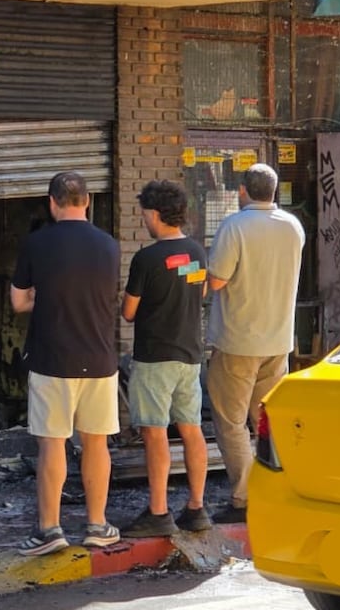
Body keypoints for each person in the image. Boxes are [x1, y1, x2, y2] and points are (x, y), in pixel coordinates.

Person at [10, 171, 121, 556]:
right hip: (100, 357)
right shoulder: (109, 245)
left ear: (52, 203)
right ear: (87, 201)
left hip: (51, 358)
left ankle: (49, 529)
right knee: (96, 442)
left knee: (52, 444)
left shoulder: (36, 244)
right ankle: (97, 524)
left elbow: (19, 302)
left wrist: (48, 297)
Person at [206, 163, 304, 524]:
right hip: (278, 339)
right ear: (275, 191)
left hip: (237, 339)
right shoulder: (293, 226)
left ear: (242, 191)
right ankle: (280, 489)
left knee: (231, 421)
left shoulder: (235, 225)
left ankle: (245, 498)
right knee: (267, 420)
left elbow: (216, 281)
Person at [120, 180, 211, 538]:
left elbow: (129, 311)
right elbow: (199, 290)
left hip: (155, 356)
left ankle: (158, 511)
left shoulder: (146, 258)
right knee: (191, 429)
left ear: (155, 214)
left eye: (144, 213)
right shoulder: (197, 252)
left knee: (155, 432)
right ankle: (196, 507)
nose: (144, 219)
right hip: (190, 354)